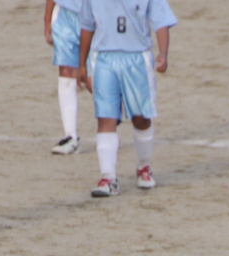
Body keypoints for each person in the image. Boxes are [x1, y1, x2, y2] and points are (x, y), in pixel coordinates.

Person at [75, 0, 176, 197]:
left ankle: (144, 166)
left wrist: (163, 54)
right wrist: (82, 64)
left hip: (137, 58)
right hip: (104, 58)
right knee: (105, 117)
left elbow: (161, 21)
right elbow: (87, 26)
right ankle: (108, 178)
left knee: (141, 117)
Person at [45, 0, 84, 154]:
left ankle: (110, 129)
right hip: (64, 15)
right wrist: (47, 20)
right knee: (66, 70)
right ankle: (71, 136)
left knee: (95, 77)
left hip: (94, 14)